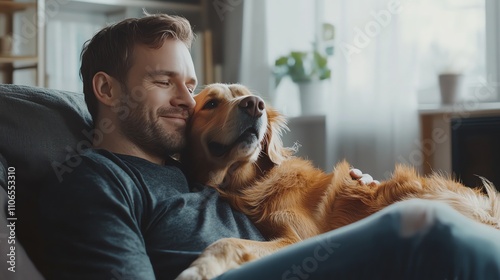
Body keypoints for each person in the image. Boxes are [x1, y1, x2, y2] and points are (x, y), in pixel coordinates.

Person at [35, 13, 500, 280]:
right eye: (163, 81)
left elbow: (305, 218)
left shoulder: (205, 174)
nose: (184, 100)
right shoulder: (96, 180)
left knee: (424, 219)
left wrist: (360, 204)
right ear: (107, 90)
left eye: (191, 87)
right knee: (423, 225)